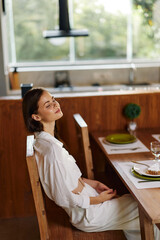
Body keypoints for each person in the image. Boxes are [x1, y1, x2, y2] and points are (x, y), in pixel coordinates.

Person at [22, 87, 158, 240]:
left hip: (88, 203)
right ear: (36, 117)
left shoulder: (45, 141)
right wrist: (98, 200)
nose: (55, 104)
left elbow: (68, 179)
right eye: (48, 105)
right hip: (87, 214)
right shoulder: (52, 150)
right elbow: (62, 197)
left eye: (53, 99)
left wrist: (93, 184)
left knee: (134, 202)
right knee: (148, 208)